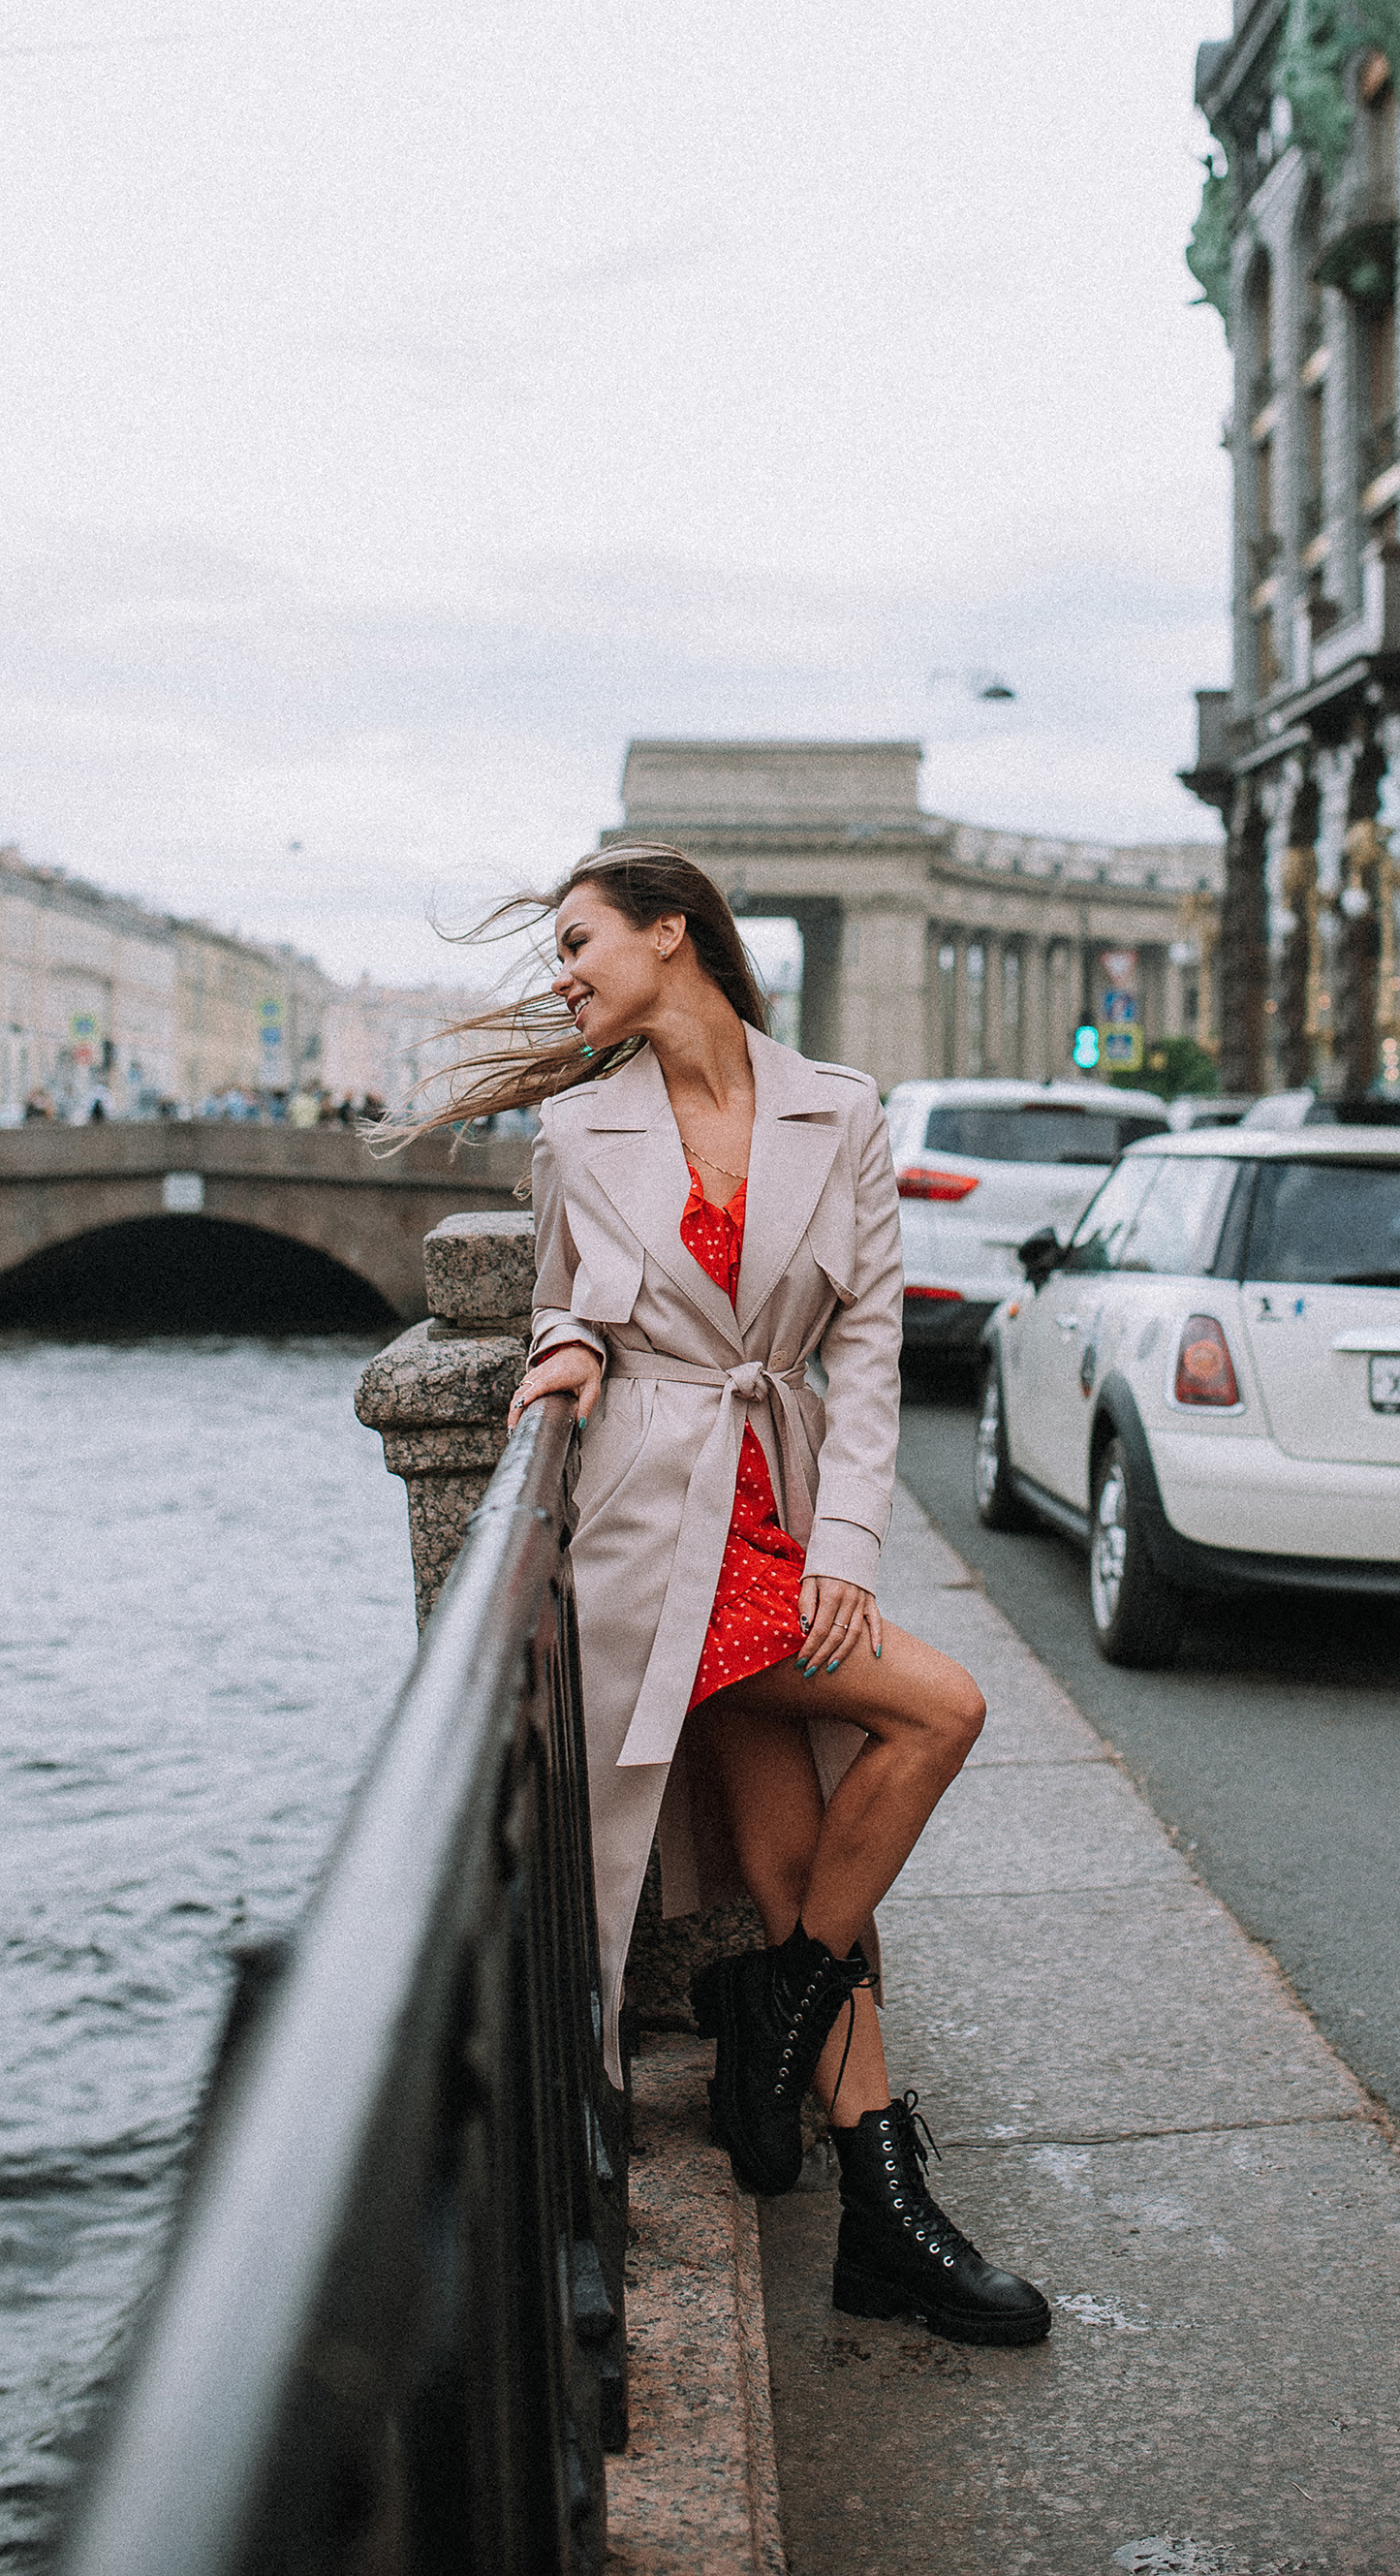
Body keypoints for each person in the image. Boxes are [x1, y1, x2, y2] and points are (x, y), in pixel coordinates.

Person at [423, 845, 1048, 2350]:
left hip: (780, 1499)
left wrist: (845, 1546)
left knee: (797, 1868)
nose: (564, 973)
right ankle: (865, 2155)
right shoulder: (578, 1129)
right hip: (652, 1521)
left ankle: (822, 2088)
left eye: (580, 943)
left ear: (672, 934)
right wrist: (563, 1346)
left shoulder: (840, 1109)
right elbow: (573, 1292)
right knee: (937, 1708)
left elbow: (874, 1350)